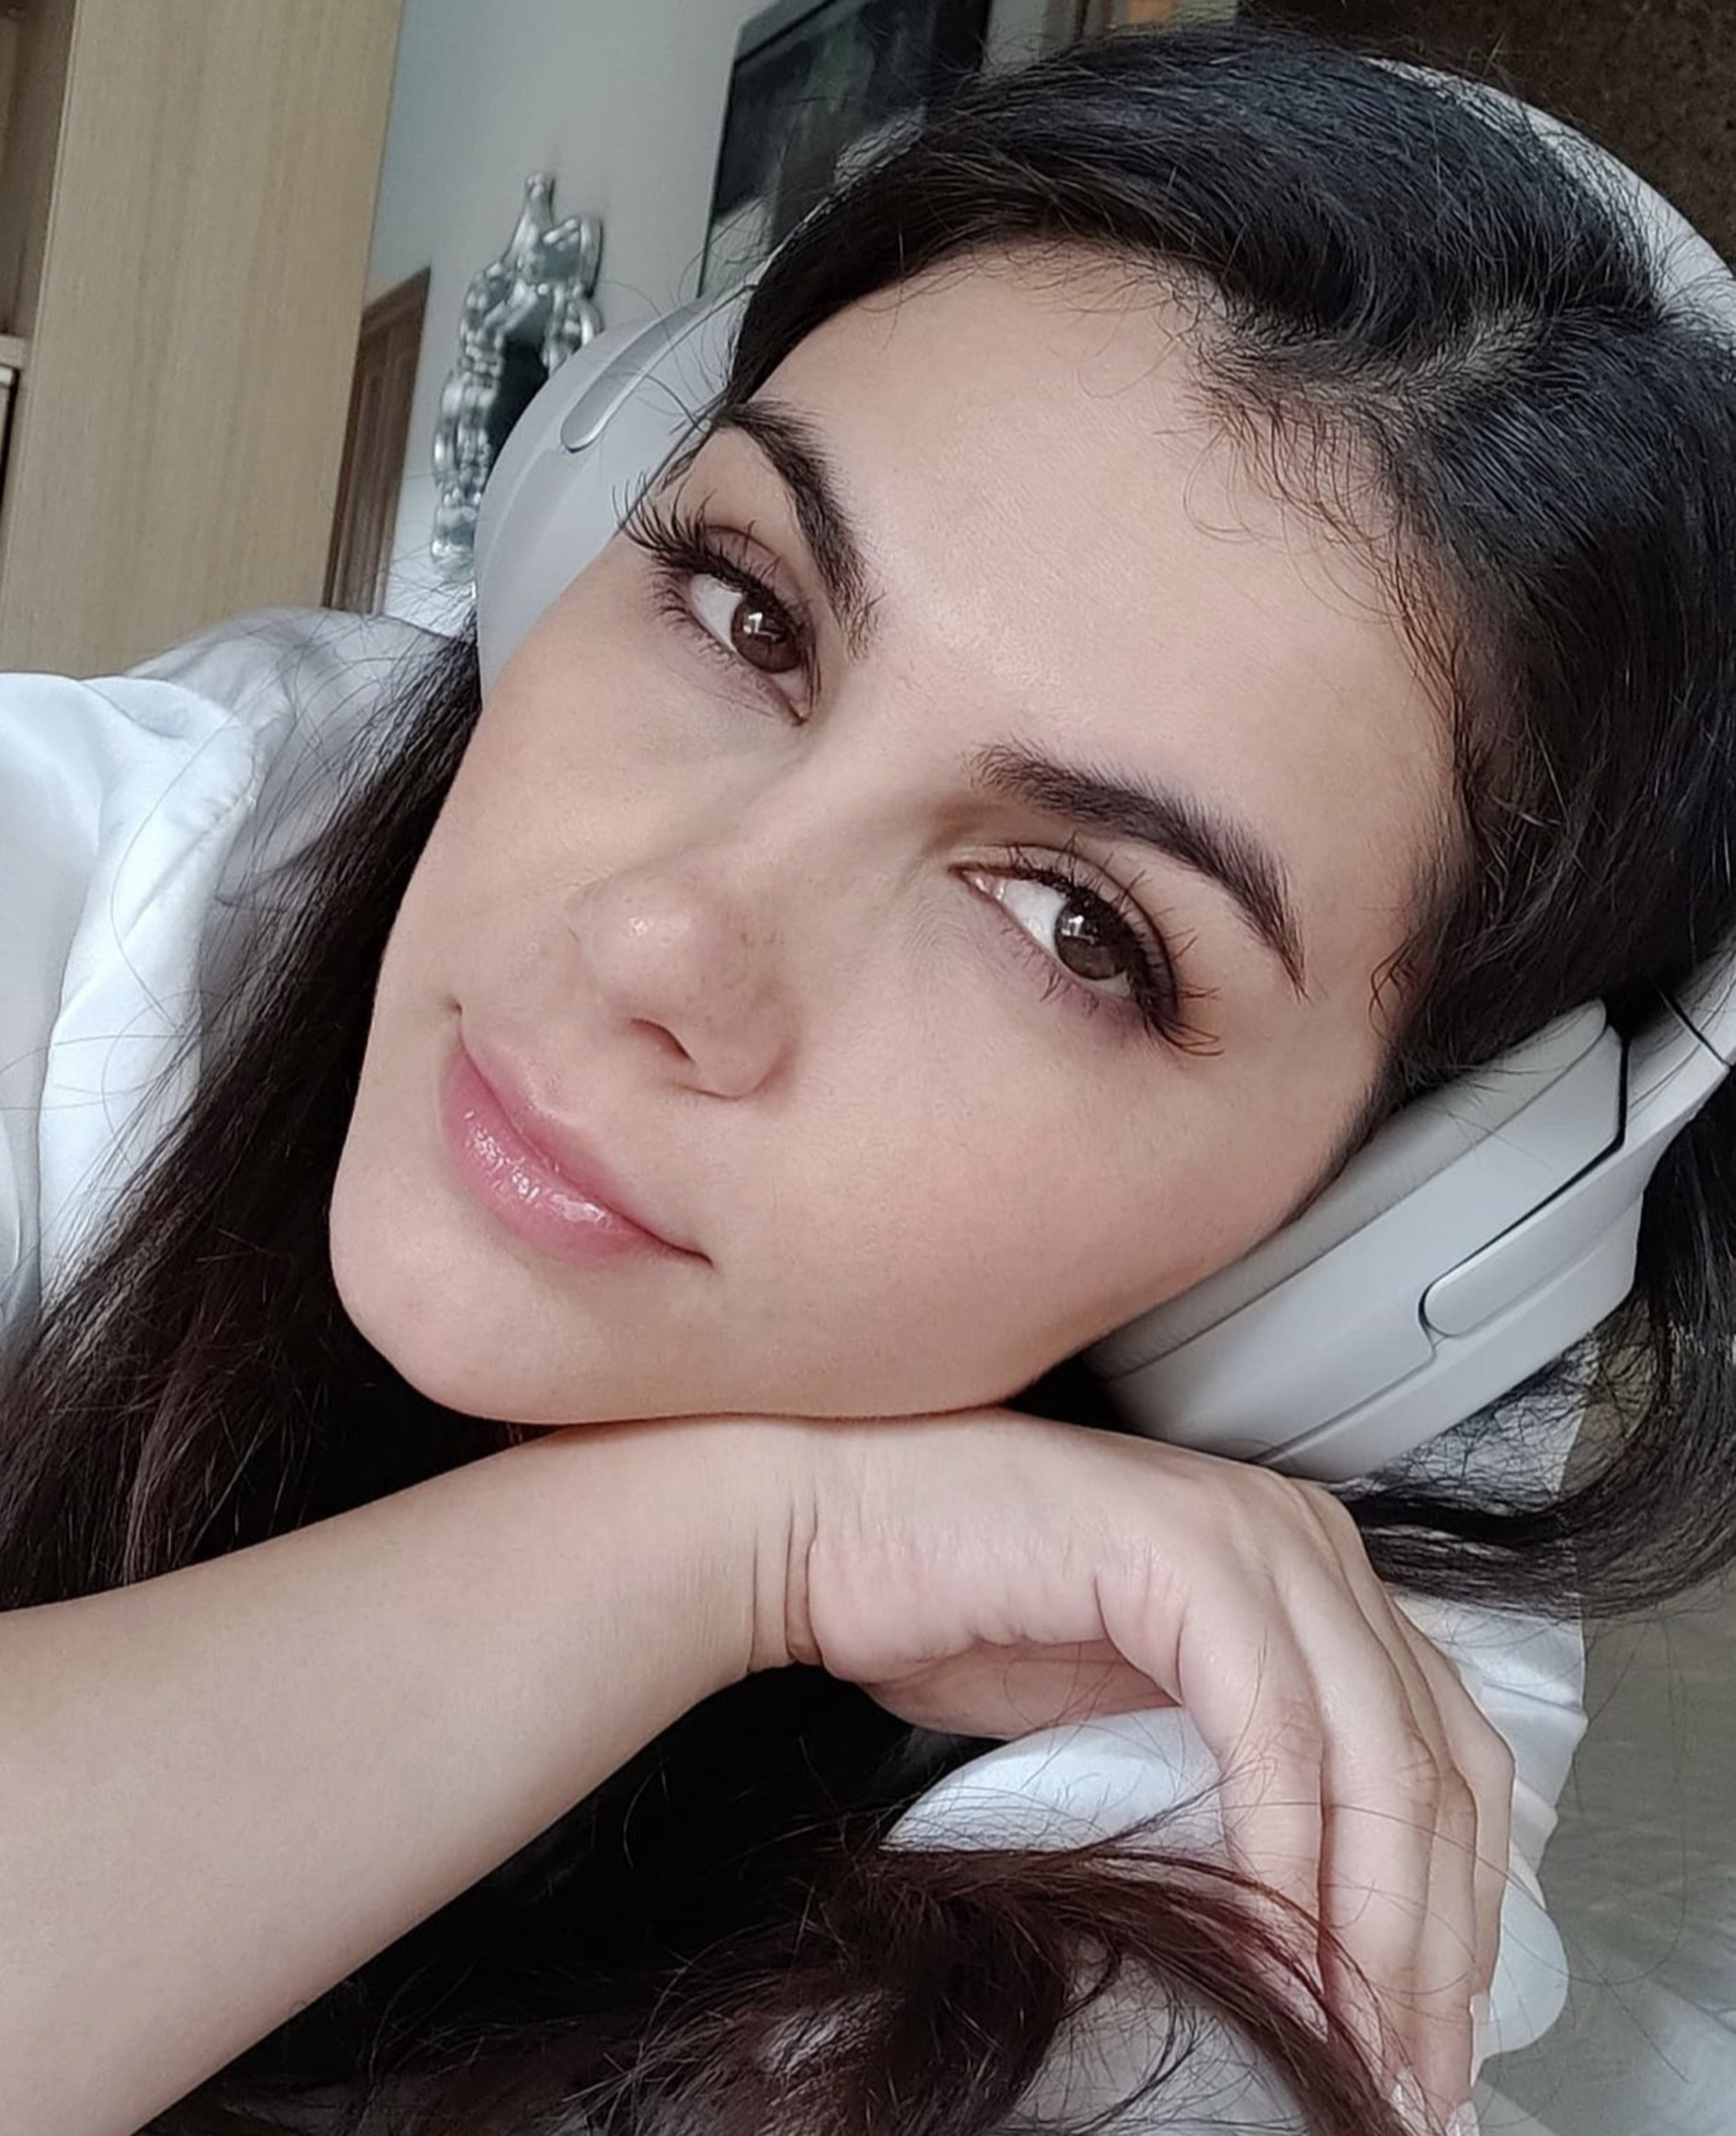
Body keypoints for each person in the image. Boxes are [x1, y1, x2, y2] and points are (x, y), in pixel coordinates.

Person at [1, 17, 1733, 2136]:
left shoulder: (1309, 1713)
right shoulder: (108, 857)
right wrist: (745, 1541)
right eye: (746, 611)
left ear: (1362, 1242)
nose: (657, 940)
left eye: (1076, 925)